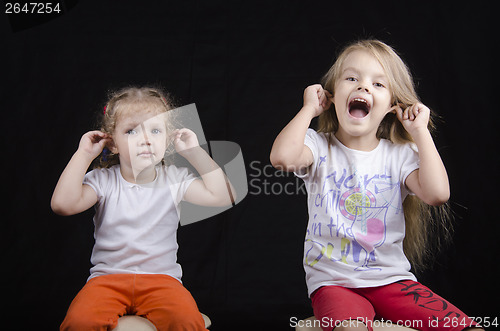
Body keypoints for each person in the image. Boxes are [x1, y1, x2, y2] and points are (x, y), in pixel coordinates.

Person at [270, 40, 481, 331]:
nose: (363, 87)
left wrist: (420, 133)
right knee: (351, 328)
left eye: (378, 84)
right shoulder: (318, 146)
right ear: (331, 95)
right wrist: (309, 109)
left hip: (393, 281)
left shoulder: (399, 155)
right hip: (334, 283)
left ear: (393, 105)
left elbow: (437, 194)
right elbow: (282, 158)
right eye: (352, 78)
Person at [52, 87, 234, 330]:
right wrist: (84, 155)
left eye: (155, 130)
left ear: (167, 141)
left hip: (162, 281)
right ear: (113, 143)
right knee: (79, 322)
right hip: (107, 281)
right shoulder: (103, 180)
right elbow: (63, 205)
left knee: (186, 322)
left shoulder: (174, 179)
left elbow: (224, 196)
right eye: (131, 131)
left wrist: (195, 153)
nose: (145, 138)